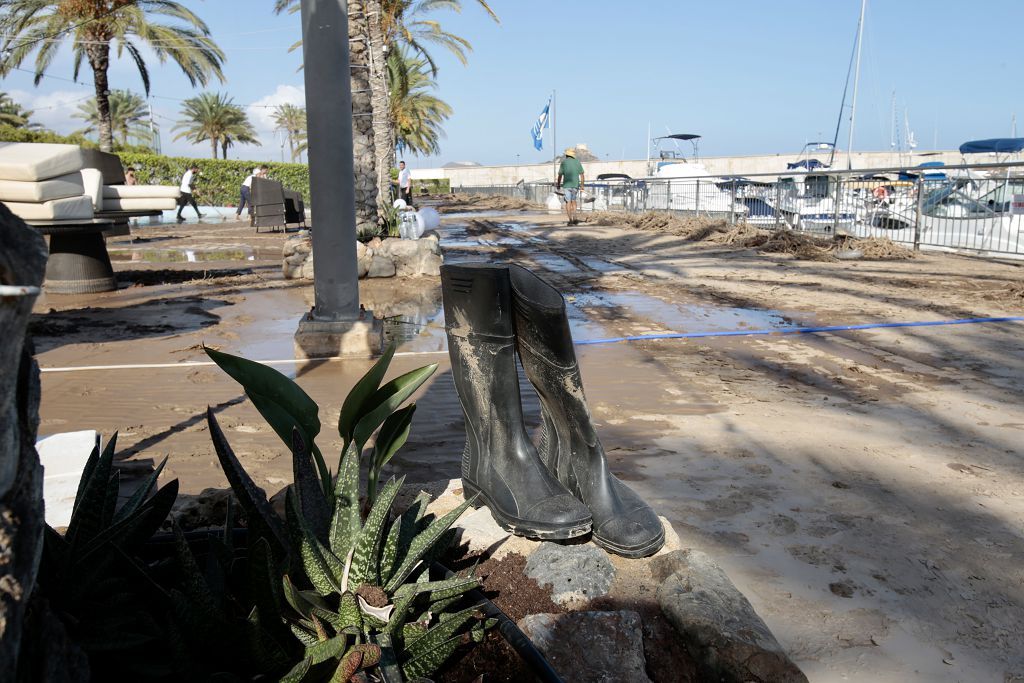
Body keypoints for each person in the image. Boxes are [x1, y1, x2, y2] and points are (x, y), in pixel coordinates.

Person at [556, 147, 585, 225]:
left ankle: (570, 220)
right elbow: (582, 174)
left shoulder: (564, 163)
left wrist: (558, 184)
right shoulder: (577, 162)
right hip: (575, 185)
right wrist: (582, 185)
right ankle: (575, 217)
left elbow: (560, 175)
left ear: (567, 155)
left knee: (568, 202)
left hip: (567, 185)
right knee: (574, 201)